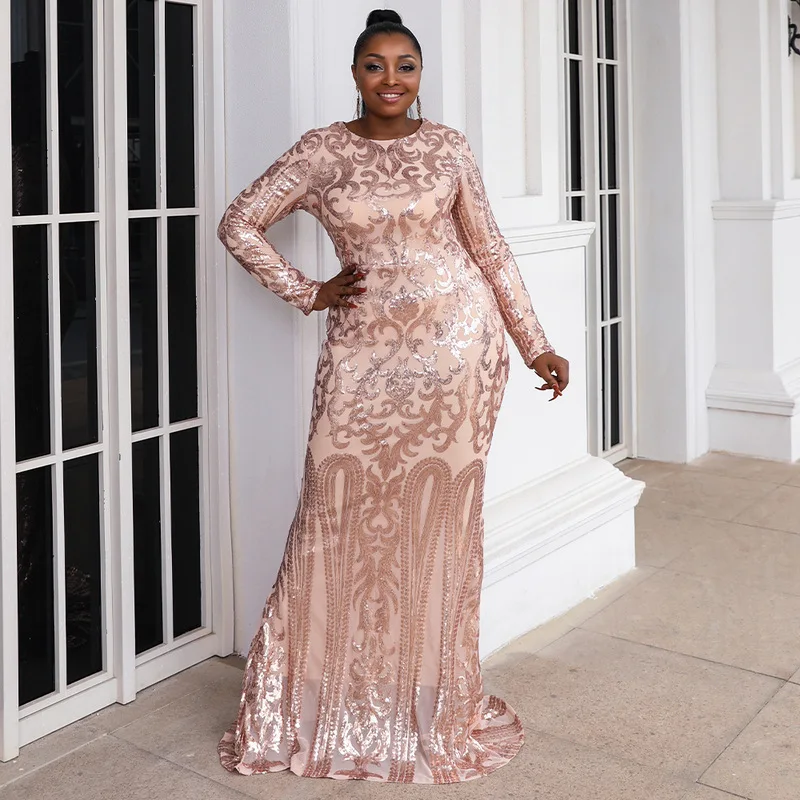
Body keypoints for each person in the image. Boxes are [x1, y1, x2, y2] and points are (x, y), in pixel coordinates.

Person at [217, 8, 569, 785]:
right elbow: (238, 223)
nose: (390, 79)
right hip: (361, 356)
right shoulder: (322, 151)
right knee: (332, 514)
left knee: (435, 526)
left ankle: (424, 707)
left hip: (457, 353)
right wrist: (307, 290)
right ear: (354, 73)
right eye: (375, 65)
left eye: (405, 65)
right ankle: (319, 711)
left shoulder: (449, 147)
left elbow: (489, 249)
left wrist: (533, 342)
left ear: (419, 74)